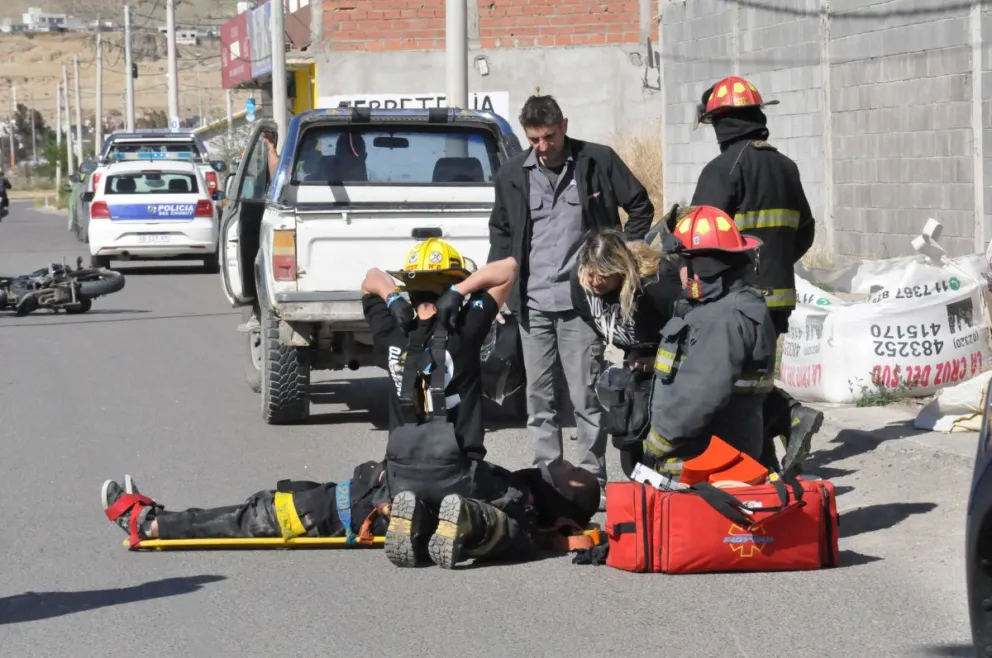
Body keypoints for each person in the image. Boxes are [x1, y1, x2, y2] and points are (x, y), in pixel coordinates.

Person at [99, 240, 597, 568]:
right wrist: (462, 294)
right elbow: (508, 269)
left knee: (282, 511)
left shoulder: (388, 331)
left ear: (411, 286)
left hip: (394, 477)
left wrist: (396, 298)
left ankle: (156, 523)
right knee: (513, 520)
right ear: (450, 286)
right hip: (462, 475)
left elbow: (370, 277)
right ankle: (459, 518)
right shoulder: (465, 332)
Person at [487, 94, 655, 497]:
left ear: (564, 124)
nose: (542, 147)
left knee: (585, 395)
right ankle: (549, 479)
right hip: (532, 304)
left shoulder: (597, 161)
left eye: (549, 136)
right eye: (534, 139)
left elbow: (641, 207)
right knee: (538, 398)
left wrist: (619, 260)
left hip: (583, 304)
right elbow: (502, 233)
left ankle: (591, 478)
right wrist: (498, 294)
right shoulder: (512, 174)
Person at [691, 75, 823, 474]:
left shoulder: (722, 168)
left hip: (737, 301)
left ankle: (786, 420)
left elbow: (702, 239)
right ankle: (764, 454)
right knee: (756, 378)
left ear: (722, 122)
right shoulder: (786, 166)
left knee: (735, 385)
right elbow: (806, 229)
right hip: (779, 297)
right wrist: (777, 264)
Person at [640, 205, 779, 478]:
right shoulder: (736, 305)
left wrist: (657, 443)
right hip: (725, 453)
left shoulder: (721, 319)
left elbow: (697, 396)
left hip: (705, 462)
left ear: (699, 267)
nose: (676, 270)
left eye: (680, 262)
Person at [571, 229, 684, 478]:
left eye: (604, 276)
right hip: (636, 363)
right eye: (592, 274)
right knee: (629, 440)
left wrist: (658, 361)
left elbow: (693, 334)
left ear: (622, 272)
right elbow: (591, 318)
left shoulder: (657, 284)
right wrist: (630, 352)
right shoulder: (581, 284)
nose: (596, 282)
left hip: (673, 367)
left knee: (666, 445)